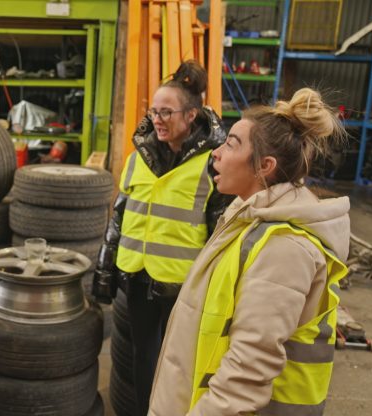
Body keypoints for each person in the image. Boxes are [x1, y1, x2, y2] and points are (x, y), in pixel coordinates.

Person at [148, 88, 350, 416]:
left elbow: (246, 375)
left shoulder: (284, 249)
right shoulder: (246, 219)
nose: (216, 153)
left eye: (231, 144)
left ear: (264, 166)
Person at [92, 60, 231, 415]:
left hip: (183, 285)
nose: (157, 119)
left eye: (167, 112)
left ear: (191, 115)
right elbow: (120, 216)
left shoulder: (213, 163)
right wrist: (105, 269)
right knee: (143, 357)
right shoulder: (139, 156)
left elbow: (222, 234)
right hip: (138, 276)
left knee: (179, 363)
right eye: (154, 111)